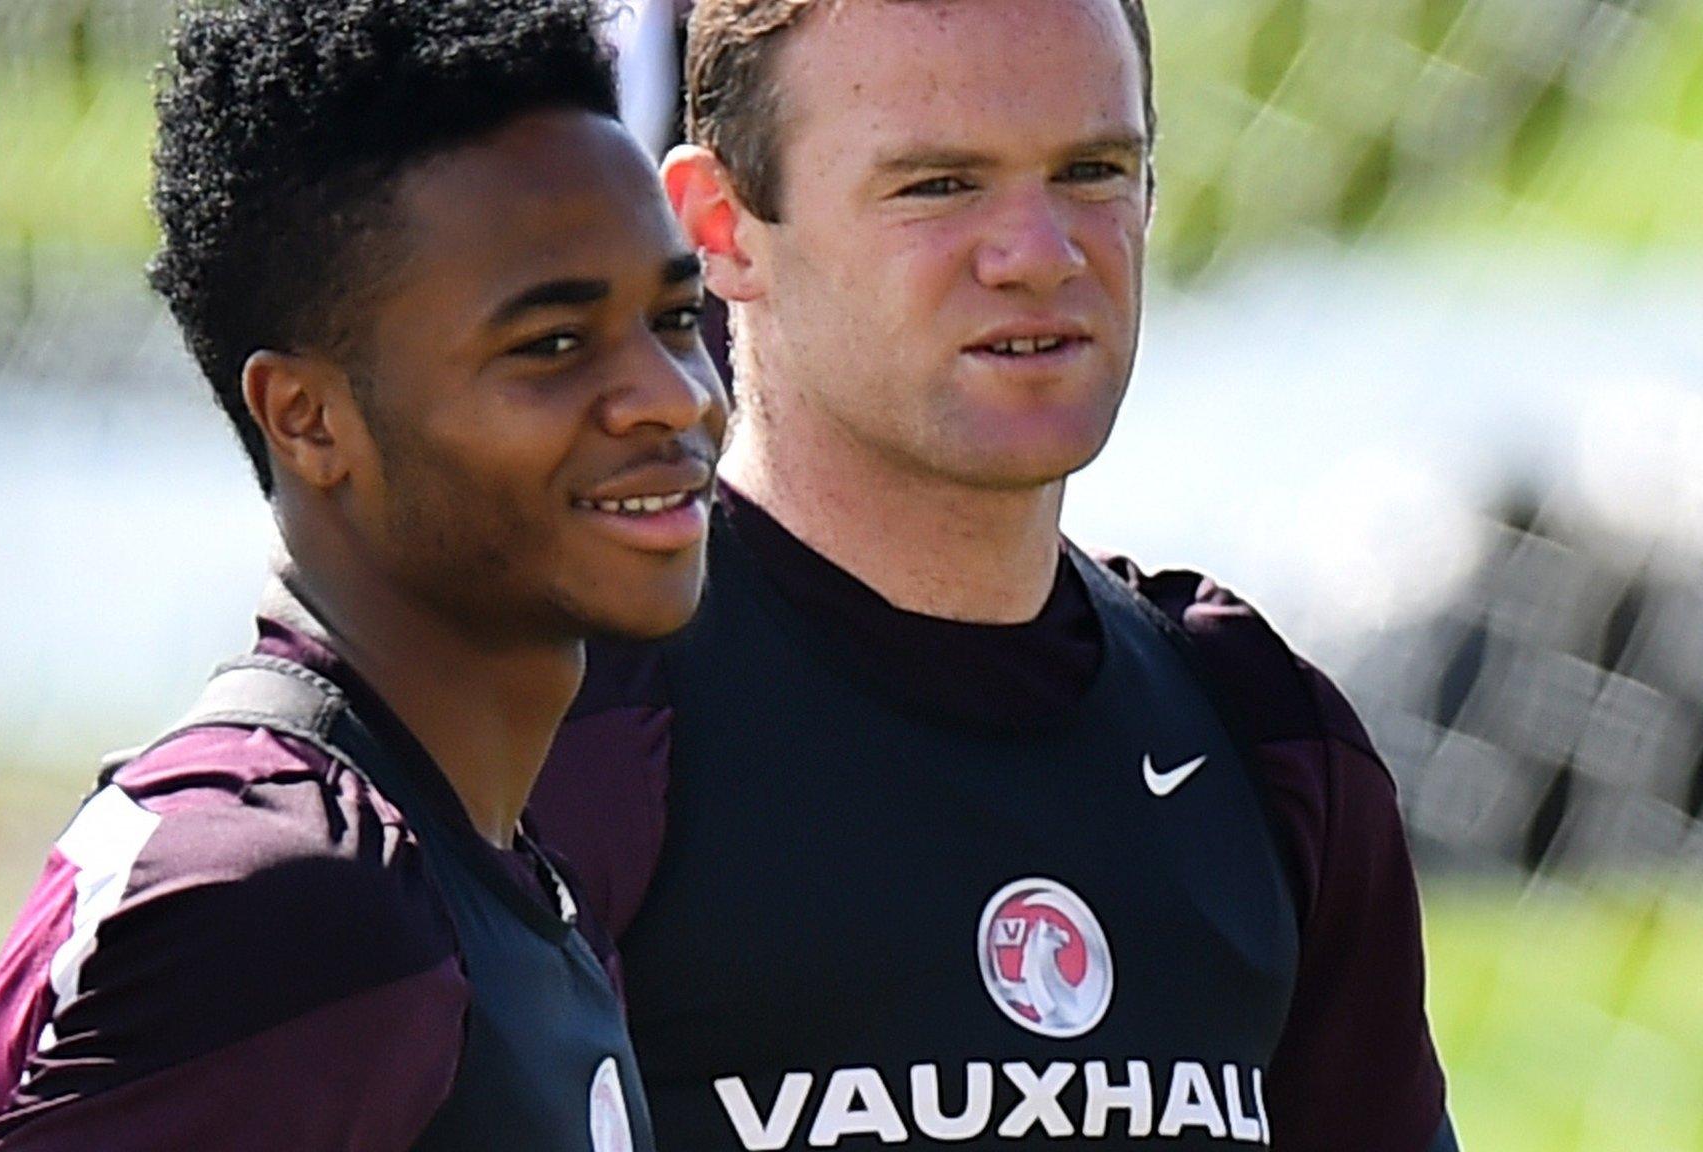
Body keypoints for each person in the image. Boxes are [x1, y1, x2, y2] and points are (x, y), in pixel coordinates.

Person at [529, 0, 1459, 1148]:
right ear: (717, 229)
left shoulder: (1266, 738)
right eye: (938, 185)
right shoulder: (554, 725)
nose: (1039, 253)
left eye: (1090, 170)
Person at [0, 0, 727, 1148]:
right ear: (307, 418)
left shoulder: (488, 878)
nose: (675, 395)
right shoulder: (277, 905)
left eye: (673, 316)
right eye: (551, 345)